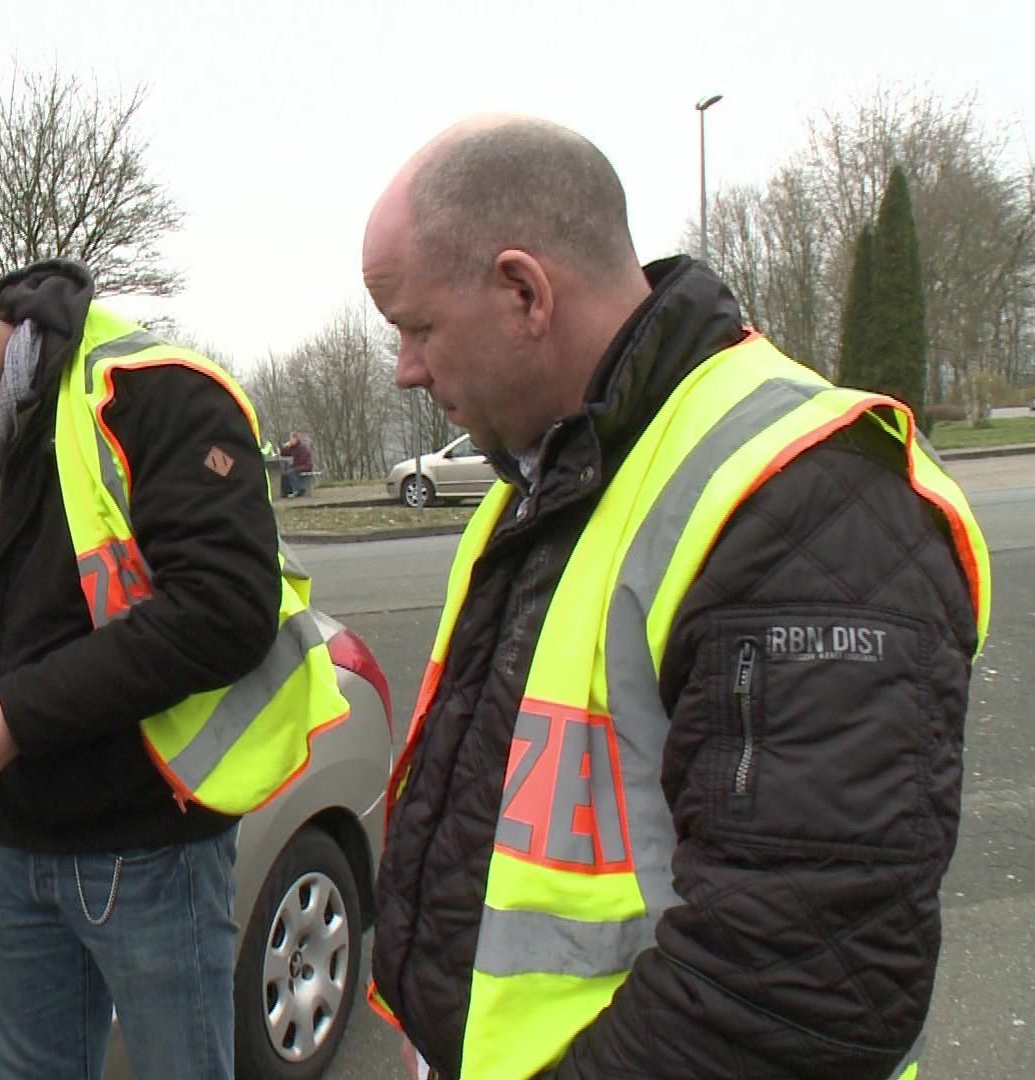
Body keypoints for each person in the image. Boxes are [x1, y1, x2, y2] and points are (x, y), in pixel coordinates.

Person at [360, 116, 989, 1080]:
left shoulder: (806, 497)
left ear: (525, 292)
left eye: (417, 328)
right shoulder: (543, 479)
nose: (406, 368)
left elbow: (793, 991)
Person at [0, 233, 347, 1080]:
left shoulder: (149, 395)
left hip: (155, 846)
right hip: (23, 843)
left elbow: (228, 609)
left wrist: (18, 714)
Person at [282, 432, 315, 497]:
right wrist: (285, 447)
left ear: (296, 439)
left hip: (305, 466)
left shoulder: (301, 447)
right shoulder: (292, 447)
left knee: (290, 472)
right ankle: (287, 492)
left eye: (292, 439)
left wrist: (295, 466)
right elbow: (283, 454)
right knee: (285, 474)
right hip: (298, 466)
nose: (290, 441)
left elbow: (302, 461)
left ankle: (300, 489)